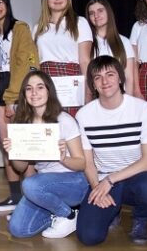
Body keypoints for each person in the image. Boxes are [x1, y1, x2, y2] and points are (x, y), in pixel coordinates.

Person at [75, 56, 147, 246]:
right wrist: (97, 186)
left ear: (121, 78)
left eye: (110, 74)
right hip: (103, 180)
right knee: (89, 237)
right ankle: (112, 211)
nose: (105, 81)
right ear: (93, 84)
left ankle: (140, 218)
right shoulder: (84, 115)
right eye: (98, 77)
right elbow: (88, 162)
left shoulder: (142, 109)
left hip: (135, 179)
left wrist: (110, 179)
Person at [5, 71, 88, 239]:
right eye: (29, 89)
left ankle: (69, 215)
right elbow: (21, 168)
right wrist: (13, 152)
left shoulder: (64, 120)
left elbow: (81, 163)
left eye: (40, 87)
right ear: (24, 94)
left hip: (72, 182)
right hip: (42, 187)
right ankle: (58, 212)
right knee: (18, 229)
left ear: (49, 91)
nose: (34, 93)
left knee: (29, 185)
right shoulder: (23, 124)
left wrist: (63, 158)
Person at [0, 0, 39, 211]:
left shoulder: (20, 28)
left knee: (23, 147)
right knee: (7, 146)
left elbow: (24, 65)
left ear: (7, 4)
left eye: (0, 2)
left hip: (17, 90)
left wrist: (12, 99)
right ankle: (16, 197)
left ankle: (32, 197)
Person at [33, 0, 92, 117]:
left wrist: (88, 91)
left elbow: (84, 60)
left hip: (72, 83)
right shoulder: (38, 28)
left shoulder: (80, 23)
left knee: (72, 127)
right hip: (46, 81)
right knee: (48, 127)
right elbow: (35, 62)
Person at [86, 0, 138, 98]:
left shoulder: (124, 42)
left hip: (120, 99)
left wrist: (129, 102)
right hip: (96, 99)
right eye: (92, 13)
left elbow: (129, 77)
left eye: (100, 11)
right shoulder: (87, 43)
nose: (96, 15)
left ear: (108, 12)